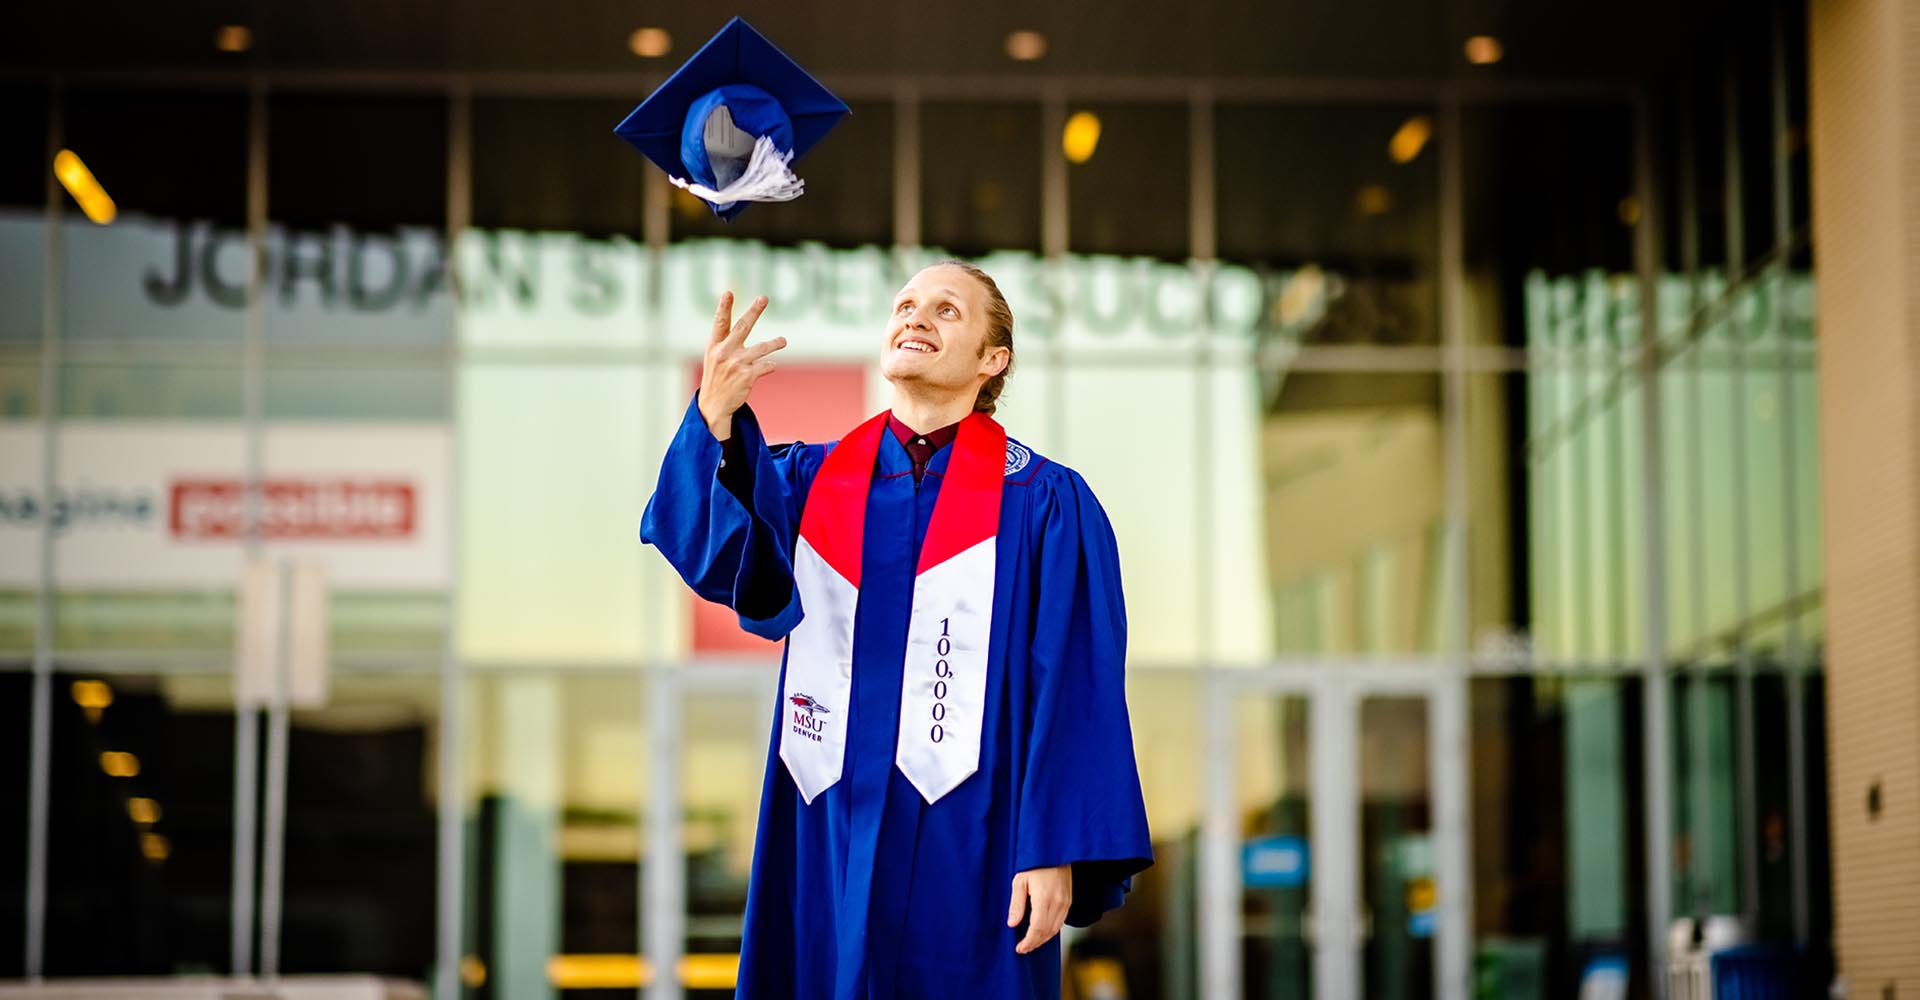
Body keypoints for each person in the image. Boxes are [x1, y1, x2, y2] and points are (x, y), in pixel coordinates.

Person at [641, 260, 1152, 1000]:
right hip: (826, 830)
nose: (915, 317)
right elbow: (715, 555)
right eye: (906, 304)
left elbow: (1077, 685)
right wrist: (712, 421)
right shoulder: (810, 483)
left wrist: (1054, 848)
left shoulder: (1046, 503)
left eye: (947, 311)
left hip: (975, 839)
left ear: (992, 360)